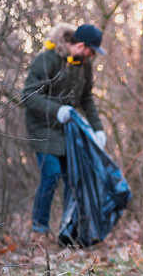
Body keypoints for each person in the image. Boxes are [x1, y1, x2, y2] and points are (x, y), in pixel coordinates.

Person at [22, 22, 108, 239]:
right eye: (90, 51)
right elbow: (29, 95)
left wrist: (98, 130)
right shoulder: (47, 59)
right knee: (51, 173)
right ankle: (38, 231)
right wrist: (57, 110)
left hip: (69, 129)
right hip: (43, 126)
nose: (91, 56)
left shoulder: (84, 66)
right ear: (80, 45)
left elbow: (86, 98)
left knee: (74, 177)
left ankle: (68, 232)